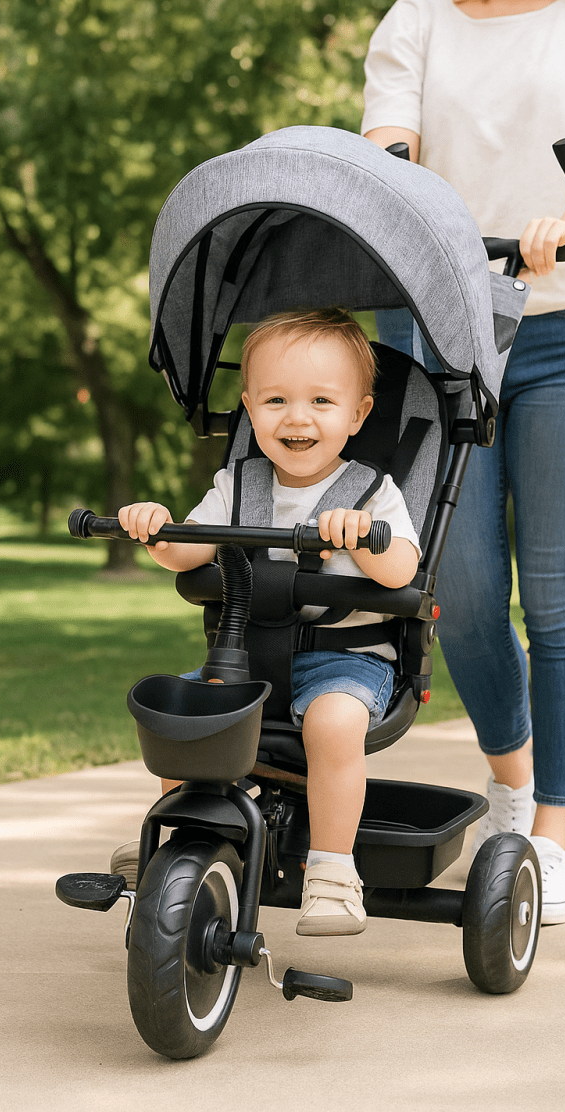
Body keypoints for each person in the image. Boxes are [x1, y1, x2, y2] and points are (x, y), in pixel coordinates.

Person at [361, 0, 565, 923]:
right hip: (441, 332)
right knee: (458, 590)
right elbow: (389, 154)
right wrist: (401, 188)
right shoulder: (415, 22)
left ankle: (554, 837)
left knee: (556, 596)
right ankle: (512, 782)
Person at [114, 307, 420, 936]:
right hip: (247, 654)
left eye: (321, 401)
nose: (297, 418)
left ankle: (332, 872)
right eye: (276, 400)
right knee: (187, 716)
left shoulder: (372, 492)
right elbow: (189, 551)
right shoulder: (236, 486)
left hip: (345, 660)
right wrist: (158, 530)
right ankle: (184, 842)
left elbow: (403, 571)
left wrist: (366, 539)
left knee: (333, 725)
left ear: (358, 414)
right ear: (250, 409)